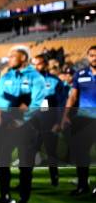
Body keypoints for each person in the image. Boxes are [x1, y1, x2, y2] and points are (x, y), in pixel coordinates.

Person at [0, 46, 46, 203]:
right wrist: (11, 110)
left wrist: (22, 118)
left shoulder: (36, 77)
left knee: (25, 165)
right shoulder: (6, 76)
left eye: (13, 56)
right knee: (2, 162)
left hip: (27, 125)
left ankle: (23, 200)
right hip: (6, 124)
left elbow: (36, 102)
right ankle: (5, 197)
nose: (9, 59)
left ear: (23, 57)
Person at [61, 46, 96, 196]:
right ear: (88, 57)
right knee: (81, 152)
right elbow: (73, 96)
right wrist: (65, 115)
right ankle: (82, 185)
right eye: (92, 55)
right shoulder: (80, 74)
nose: (94, 58)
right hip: (84, 119)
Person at [32, 54, 65, 186]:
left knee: (51, 151)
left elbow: (61, 104)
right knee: (28, 152)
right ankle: (26, 180)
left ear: (45, 65)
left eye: (39, 64)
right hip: (32, 122)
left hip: (49, 121)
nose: (36, 67)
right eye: (33, 64)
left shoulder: (55, 81)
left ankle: (54, 178)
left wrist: (58, 122)